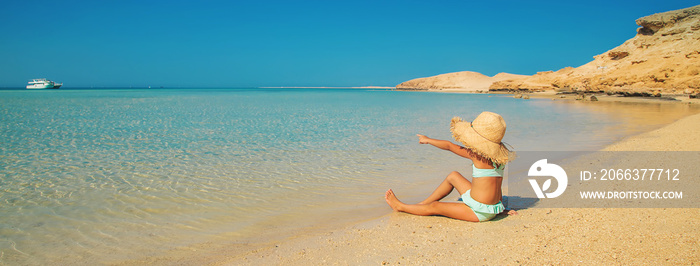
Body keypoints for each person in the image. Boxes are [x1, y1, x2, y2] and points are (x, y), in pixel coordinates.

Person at [385, 111, 517, 222]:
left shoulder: (476, 156)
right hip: (490, 207)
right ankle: (422, 205)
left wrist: (428, 140)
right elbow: (496, 185)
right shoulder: (499, 159)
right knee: (453, 176)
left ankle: (400, 207)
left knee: (436, 207)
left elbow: (449, 146)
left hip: (478, 211)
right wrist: (499, 208)